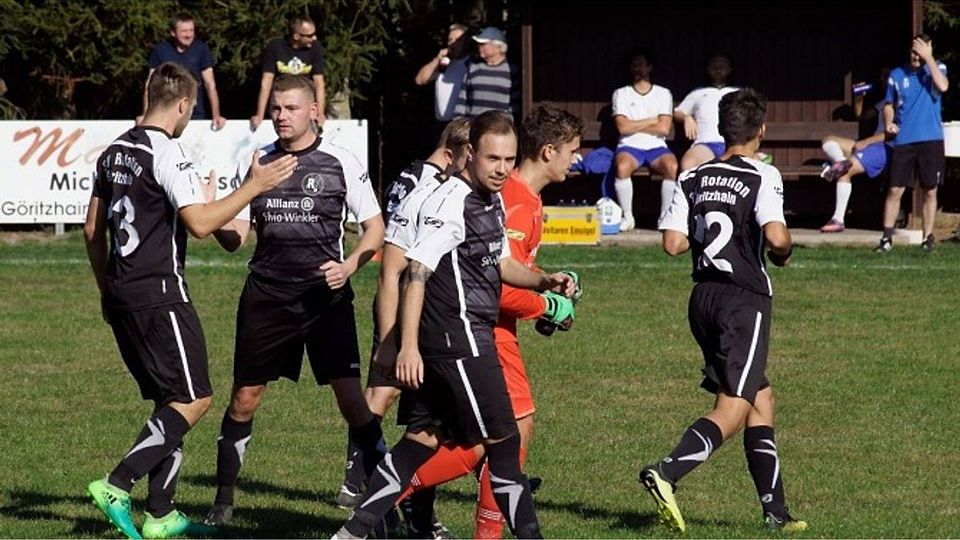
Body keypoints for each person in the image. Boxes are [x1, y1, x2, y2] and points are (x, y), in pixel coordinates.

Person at [334, 111, 576, 540]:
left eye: (508, 158)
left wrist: (543, 280)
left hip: (458, 340)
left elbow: (502, 263)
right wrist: (405, 346)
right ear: (469, 155)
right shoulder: (453, 203)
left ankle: (351, 534)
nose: (502, 168)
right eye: (492, 158)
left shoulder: (492, 198)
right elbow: (416, 271)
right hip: (460, 342)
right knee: (505, 444)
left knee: (421, 441)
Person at [83, 62, 296, 540]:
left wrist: (105, 288)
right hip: (160, 294)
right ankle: (118, 484)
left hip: (121, 292)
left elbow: (92, 230)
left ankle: (161, 514)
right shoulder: (167, 152)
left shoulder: (113, 150)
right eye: (190, 111)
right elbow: (200, 224)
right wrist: (253, 187)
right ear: (182, 104)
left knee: (170, 399)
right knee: (195, 398)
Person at [202, 75, 385, 527]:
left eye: (291, 108)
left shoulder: (341, 159)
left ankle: (386, 502)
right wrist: (214, 208)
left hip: (326, 299)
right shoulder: (260, 162)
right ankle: (223, 502)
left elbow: (375, 228)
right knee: (244, 399)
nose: (281, 116)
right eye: (277, 109)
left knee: (352, 402)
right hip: (267, 296)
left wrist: (350, 266)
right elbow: (235, 239)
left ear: (314, 112)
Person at [645, 88, 807, 534]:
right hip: (743, 300)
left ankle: (775, 512)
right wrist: (787, 252)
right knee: (734, 407)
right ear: (761, 130)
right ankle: (667, 471)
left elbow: (673, 244)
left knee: (761, 397)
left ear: (722, 128)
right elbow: (776, 238)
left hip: (703, 299)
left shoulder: (693, 175)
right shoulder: (761, 175)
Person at [335, 119, 472, 539]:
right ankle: (364, 483)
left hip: (416, 309)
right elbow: (394, 262)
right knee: (391, 395)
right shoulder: (426, 184)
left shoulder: (414, 175)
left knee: (418, 414)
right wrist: (393, 334)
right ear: (456, 154)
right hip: (408, 307)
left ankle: (395, 502)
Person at [876, 34, 949, 252]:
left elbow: (943, 86)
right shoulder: (897, 75)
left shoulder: (937, 68)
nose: (916, 56)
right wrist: (889, 122)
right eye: (914, 51)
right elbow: (889, 104)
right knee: (895, 189)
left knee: (930, 190)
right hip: (904, 140)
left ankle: (928, 237)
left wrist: (929, 59)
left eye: (921, 51)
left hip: (931, 139)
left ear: (929, 49)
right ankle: (887, 238)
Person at [611, 50, 679, 232]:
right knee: (622, 167)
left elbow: (664, 128)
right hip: (630, 145)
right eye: (634, 65)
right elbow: (623, 128)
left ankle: (665, 217)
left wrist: (634, 124)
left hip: (656, 146)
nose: (637, 69)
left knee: (672, 167)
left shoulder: (663, 93)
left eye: (641, 64)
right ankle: (628, 216)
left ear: (649, 67)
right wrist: (650, 120)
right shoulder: (621, 94)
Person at [818, 72, 892, 233]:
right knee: (828, 139)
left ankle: (838, 220)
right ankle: (839, 161)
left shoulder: (904, 105)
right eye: (883, 77)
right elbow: (861, 116)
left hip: (883, 148)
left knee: (845, 172)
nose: (884, 81)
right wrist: (859, 98)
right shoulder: (883, 103)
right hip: (871, 145)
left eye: (887, 77)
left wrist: (866, 142)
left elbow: (893, 133)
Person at [141, 13, 226, 130]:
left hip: (195, 114)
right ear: (173, 32)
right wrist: (146, 116)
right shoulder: (160, 50)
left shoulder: (201, 49)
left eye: (191, 30)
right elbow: (150, 85)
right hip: (164, 113)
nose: (189, 35)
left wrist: (216, 115)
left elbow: (210, 84)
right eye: (184, 31)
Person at [250, 16, 326, 131]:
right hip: (281, 100)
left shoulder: (315, 48)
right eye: (310, 35)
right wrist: (259, 114)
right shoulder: (275, 47)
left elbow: (319, 83)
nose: (314, 38)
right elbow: (266, 82)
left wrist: (320, 113)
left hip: (303, 101)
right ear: (296, 36)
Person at [673, 55, 738, 172]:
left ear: (729, 70)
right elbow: (677, 112)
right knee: (688, 164)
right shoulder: (698, 93)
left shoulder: (738, 92)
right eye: (714, 67)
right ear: (708, 70)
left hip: (734, 144)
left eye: (722, 67)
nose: (718, 69)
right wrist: (687, 118)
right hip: (705, 144)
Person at [453, 27, 520, 118]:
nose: (479, 47)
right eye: (479, 44)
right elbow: (462, 100)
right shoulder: (473, 68)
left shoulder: (511, 70)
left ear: (498, 47)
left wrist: (509, 125)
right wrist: (458, 123)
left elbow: (515, 104)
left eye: (483, 44)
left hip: (499, 128)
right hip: (474, 127)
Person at [415, 24, 471, 125]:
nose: (453, 43)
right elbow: (420, 80)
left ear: (466, 42)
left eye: (458, 40)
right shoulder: (444, 63)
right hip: (440, 123)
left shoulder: (471, 64)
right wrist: (437, 59)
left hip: (461, 122)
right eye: (450, 40)